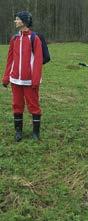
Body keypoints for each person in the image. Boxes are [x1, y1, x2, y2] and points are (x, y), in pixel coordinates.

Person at [2, 11, 43, 141]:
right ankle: (18, 132)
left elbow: (38, 61)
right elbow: (10, 60)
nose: (15, 21)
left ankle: (35, 133)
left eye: (17, 19)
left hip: (30, 81)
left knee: (34, 106)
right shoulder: (14, 38)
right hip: (15, 80)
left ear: (24, 22)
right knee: (17, 105)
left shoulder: (34, 38)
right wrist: (6, 77)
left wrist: (35, 80)